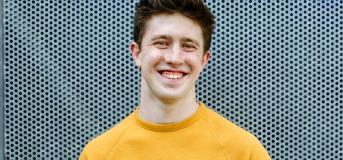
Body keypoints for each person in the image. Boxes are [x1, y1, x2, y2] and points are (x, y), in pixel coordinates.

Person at [79, 0, 271, 159]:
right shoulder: (98, 154)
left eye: (188, 45)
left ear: (204, 60)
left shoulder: (244, 152)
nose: (174, 58)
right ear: (137, 53)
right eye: (161, 43)